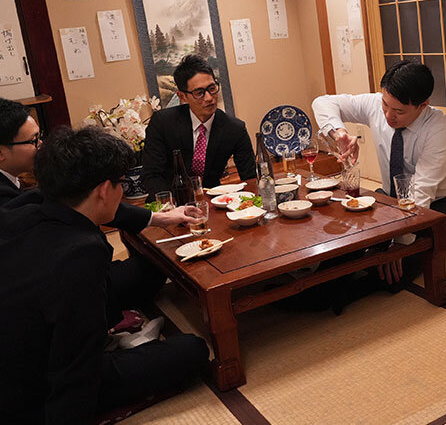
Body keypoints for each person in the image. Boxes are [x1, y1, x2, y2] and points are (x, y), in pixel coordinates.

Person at [0, 126, 208, 424]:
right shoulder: (79, 253)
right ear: (102, 190)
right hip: (34, 389)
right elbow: (76, 367)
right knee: (191, 350)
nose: (122, 192)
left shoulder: (29, 205)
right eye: (121, 183)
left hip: (20, 353)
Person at [0, 98, 202, 329]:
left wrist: (159, 218)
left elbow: (86, 201)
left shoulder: (17, 182)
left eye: (40, 136)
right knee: (155, 270)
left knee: (152, 263)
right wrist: (105, 319)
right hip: (45, 305)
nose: (42, 145)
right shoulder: (11, 208)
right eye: (34, 140)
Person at [312, 60, 446, 285]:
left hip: (435, 206)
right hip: (390, 199)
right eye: (385, 105)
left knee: (398, 269)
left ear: (423, 105)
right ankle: (317, 286)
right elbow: (322, 102)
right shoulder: (376, 104)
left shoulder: (438, 129)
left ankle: (343, 291)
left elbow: (422, 192)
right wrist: (339, 133)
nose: (389, 115)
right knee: (347, 242)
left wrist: (399, 243)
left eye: (399, 111)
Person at [141, 54, 256, 197]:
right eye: (199, 93)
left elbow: (250, 177)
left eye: (212, 88)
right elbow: (151, 176)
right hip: (169, 201)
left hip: (212, 199)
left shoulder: (234, 128)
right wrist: (175, 204)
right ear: (182, 96)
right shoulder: (162, 123)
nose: (209, 98)